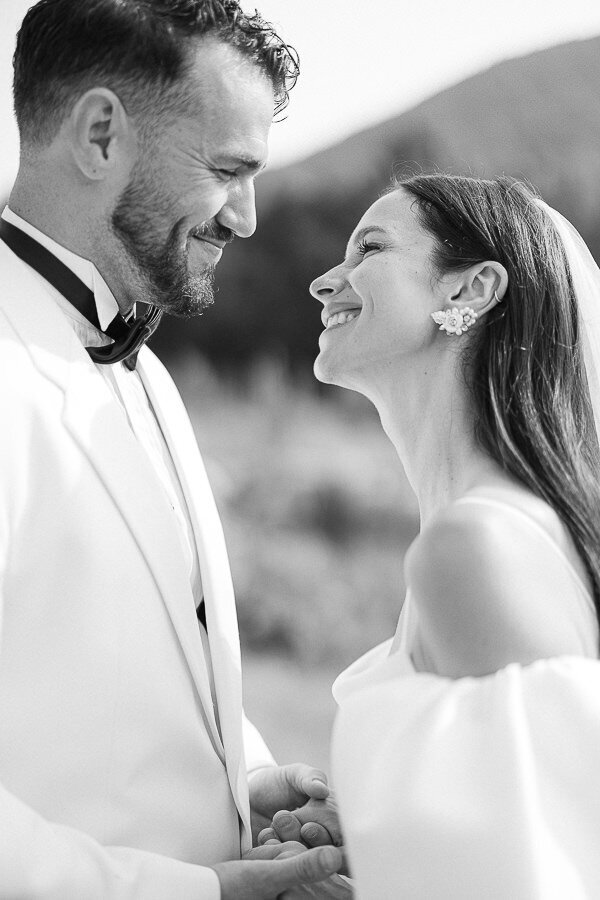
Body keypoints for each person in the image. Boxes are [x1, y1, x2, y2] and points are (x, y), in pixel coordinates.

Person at [0, 1, 347, 897]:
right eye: (229, 169)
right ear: (102, 133)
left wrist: (239, 783)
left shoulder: (146, 373)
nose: (250, 218)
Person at [308, 173, 600, 898]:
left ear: (468, 291)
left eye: (368, 248)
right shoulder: (475, 534)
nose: (323, 282)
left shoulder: (473, 548)